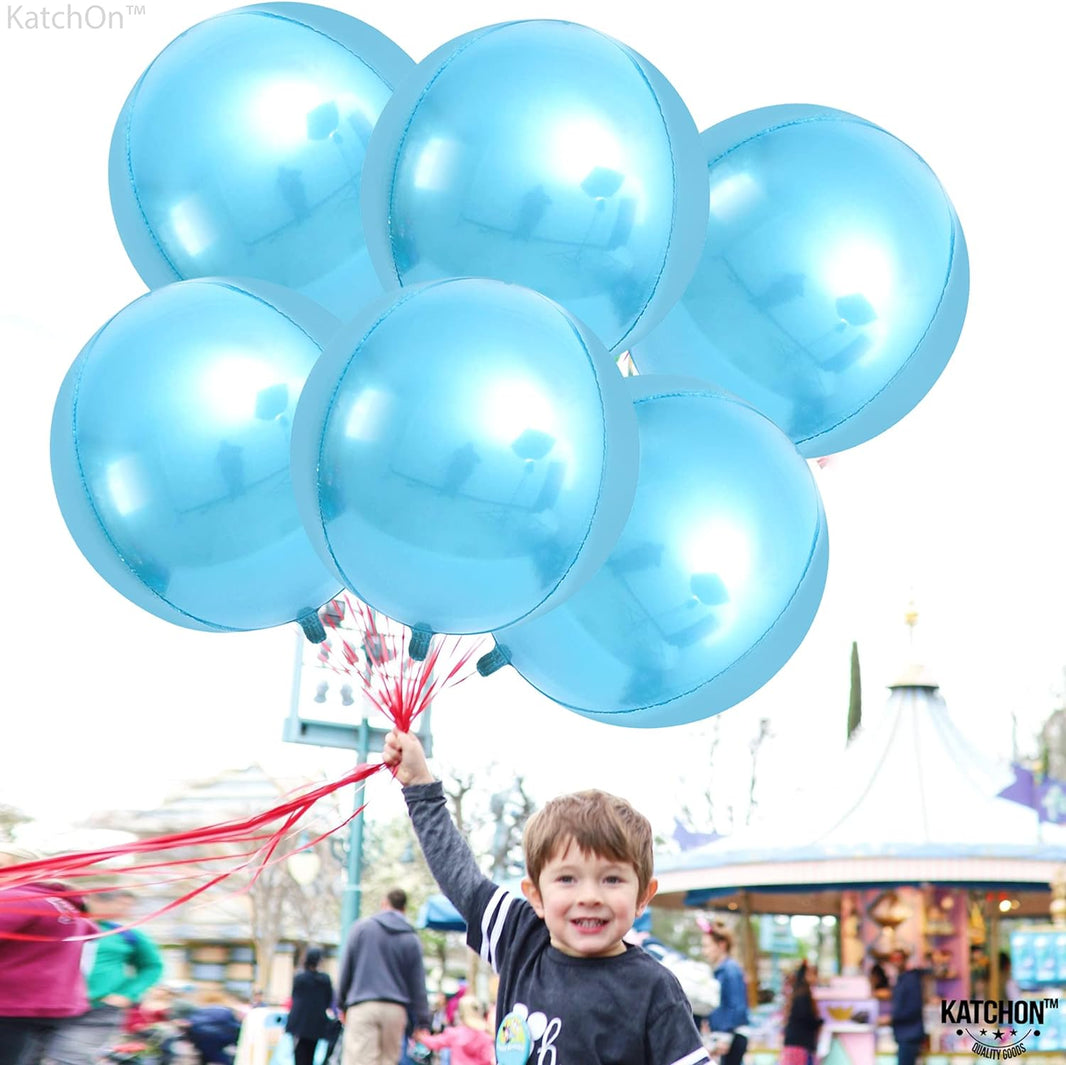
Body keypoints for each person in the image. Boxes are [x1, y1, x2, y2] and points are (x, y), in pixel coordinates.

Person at [385, 728, 711, 1065]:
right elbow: (461, 879)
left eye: (612, 879)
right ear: (536, 896)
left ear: (643, 895)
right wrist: (420, 787)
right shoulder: (521, 940)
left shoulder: (654, 989)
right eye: (567, 879)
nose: (589, 896)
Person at [0, 846, 96, 1065]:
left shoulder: (12, 898)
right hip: (51, 1005)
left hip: (10, 1004)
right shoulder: (62, 902)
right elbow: (92, 932)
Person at [50, 889, 164, 1065]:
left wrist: (127, 994)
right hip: (48, 1005)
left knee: (71, 1059)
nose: (126, 910)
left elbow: (151, 966)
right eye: (123, 904)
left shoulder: (127, 934)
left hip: (97, 1009)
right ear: (94, 898)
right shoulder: (58, 925)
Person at [336, 888, 431, 1065]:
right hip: (395, 1011)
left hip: (362, 1005)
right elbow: (418, 984)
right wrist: (423, 1022)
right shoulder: (410, 937)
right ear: (404, 909)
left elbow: (346, 969)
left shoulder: (362, 928)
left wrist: (341, 1004)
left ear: (384, 904)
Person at [698, 919, 749, 1065]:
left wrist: (725, 1035)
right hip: (725, 1035)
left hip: (731, 1035)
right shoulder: (723, 970)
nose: (704, 951)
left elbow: (736, 1005)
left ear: (721, 945)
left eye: (707, 946)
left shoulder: (730, 970)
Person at [286, 947, 334, 1065]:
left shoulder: (300, 978)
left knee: (299, 1056)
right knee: (310, 1056)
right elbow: (328, 1000)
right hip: (316, 1025)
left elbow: (294, 997)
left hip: (299, 1025)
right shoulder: (325, 980)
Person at [413, 998, 493, 1065]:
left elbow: (436, 1043)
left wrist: (422, 1037)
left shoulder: (455, 1033)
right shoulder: (487, 1034)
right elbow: (488, 1059)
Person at [781, 961, 822, 1065]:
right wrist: (819, 1022)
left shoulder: (798, 993)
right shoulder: (803, 996)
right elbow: (806, 1018)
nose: (815, 978)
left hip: (794, 1044)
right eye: (812, 974)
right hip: (800, 1045)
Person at [888, 949, 925, 1065]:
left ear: (904, 960)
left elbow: (914, 1008)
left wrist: (892, 1018)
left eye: (899, 959)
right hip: (904, 1034)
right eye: (893, 959)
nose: (896, 962)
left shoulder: (911, 979)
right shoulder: (900, 980)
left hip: (910, 1034)